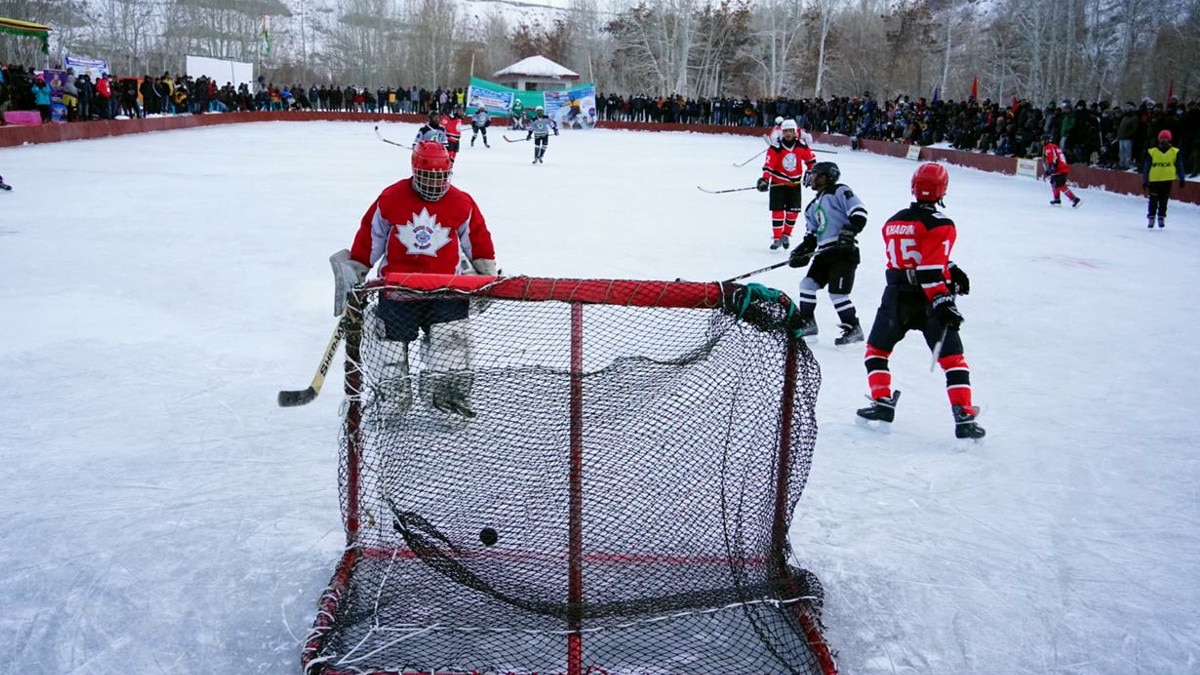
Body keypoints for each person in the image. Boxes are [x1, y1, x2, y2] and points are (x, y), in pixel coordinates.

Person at [339, 140, 498, 420]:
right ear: (415, 171)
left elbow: (478, 239)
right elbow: (370, 236)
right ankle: (391, 398)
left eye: (441, 177)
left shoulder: (462, 202)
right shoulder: (391, 198)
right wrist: (358, 270)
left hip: (447, 291)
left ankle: (447, 401)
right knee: (386, 347)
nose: (435, 184)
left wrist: (486, 275)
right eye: (428, 177)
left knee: (452, 347)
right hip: (399, 290)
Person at [856, 163, 984, 440]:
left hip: (896, 296)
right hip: (928, 298)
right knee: (953, 360)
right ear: (943, 190)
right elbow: (927, 269)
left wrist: (950, 266)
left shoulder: (893, 221)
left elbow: (913, 258)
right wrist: (943, 300)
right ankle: (963, 414)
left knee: (876, 351)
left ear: (913, 187)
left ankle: (881, 401)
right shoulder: (942, 223)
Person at [786, 161, 868, 345]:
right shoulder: (810, 207)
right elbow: (811, 237)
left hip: (843, 253)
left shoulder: (839, 191)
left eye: (815, 174)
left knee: (837, 294)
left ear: (826, 176)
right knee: (807, 284)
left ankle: (853, 327)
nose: (811, 177)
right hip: (823, 254)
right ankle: (808, 322)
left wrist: (850, 230)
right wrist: (802, 251)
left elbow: (859, 212)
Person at [757, 119, 816, 250]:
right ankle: (777, 237)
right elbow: (769, 165)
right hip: (778, 184)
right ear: (782, 132)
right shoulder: (776, 148)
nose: (788, 134)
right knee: (777, 211)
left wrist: (811, 172)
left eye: (790, 131)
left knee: (792, 212)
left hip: (794, 185)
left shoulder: (801, 145)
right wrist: (765, 179)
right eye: (785, 131)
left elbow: (811, 161)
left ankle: (786, 235)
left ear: (795, 132)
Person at [1141, 129, 1186, 229]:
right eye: (1162, 138)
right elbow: (1146, 167)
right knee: (1153, 200)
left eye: (1166, 138)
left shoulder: (1175, 151)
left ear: (1169, 139)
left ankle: (1161, 217)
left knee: (1164, 200)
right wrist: (1145, 180)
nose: (1164, 140)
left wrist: (1182, 178)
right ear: (1159, 139)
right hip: (1154, 179)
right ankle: (1151, 218)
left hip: (1167, 179)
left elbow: (1179, 165)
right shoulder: (1152, 151)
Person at [1041, 134, 1081, 207]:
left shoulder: (1049, 147)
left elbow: (1052, 158)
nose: (1042, 142)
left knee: (1061, 185)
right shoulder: (1054, 146)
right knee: (1053, 183)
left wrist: (1050, 168)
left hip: (1059, 169)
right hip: (1060, 168)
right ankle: (1057, 199)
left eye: (1043, 140)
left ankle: (1074, 199)